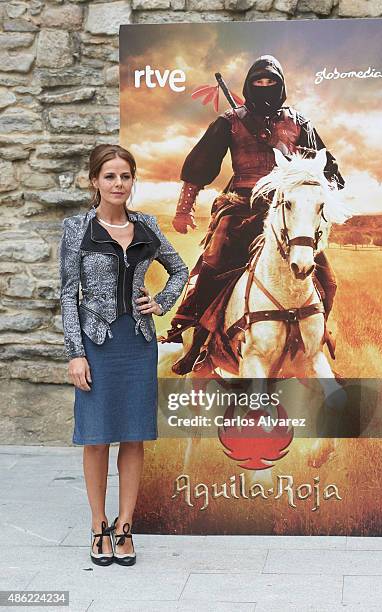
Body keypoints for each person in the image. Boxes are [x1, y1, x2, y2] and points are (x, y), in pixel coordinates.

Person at [166, 55, 344, 374]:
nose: (265, 87)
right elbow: (200, 163)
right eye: (259, 82)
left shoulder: (299, 122)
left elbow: (324, 166)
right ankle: (198, 343)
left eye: (270, 82)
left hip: (287, 209)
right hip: (241, 206)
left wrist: (324, 187)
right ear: (250, 86)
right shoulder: (230, 121)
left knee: (327, 280)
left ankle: (317, 337)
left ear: (280, 86)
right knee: (211, 266)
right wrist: (184, 208)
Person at [59, 144, 188, 566]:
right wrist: (76, 354)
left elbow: (181, 269)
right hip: (96, 344)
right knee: (96, 437)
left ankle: (125, 524)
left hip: (137, 343)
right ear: (95, 181)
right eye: (110, 176)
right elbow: (67, 295)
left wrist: (163, 301)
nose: (118, 183)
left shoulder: (146, 225)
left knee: (133, 435)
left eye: (125, 176)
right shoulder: (77, 228)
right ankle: (98, 524)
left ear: (133, 181)